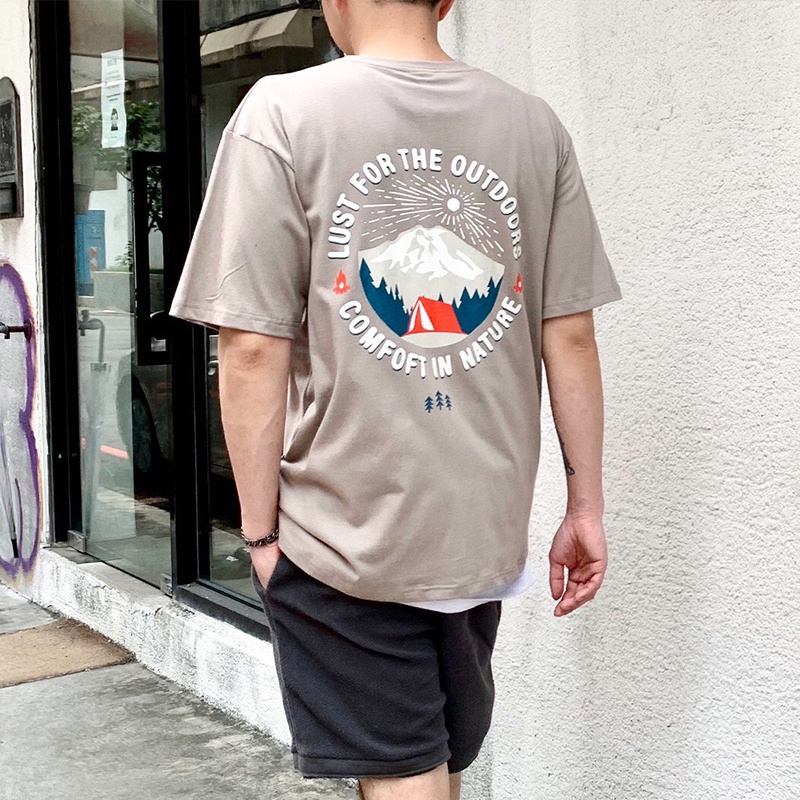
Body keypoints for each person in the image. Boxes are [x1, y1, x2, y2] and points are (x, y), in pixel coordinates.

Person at [169, 1, 622, 797]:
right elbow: (571, 335)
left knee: (402, 770)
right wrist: (584, 507)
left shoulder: (282, 113)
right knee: (434, 760)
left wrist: (261, 532)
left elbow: (251, 346)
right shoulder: (534, 126)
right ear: (445, 2)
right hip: (481, 528)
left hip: (342, 531)